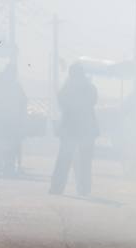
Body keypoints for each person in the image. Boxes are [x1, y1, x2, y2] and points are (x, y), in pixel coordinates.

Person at [50, 62, 98, 195]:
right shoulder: (89, 87)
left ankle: (57, 188)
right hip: (84, 129)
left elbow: (61, 102)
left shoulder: (69, 87)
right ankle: (84, 189)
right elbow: (93, 101)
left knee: (64, 159)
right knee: (84, 161)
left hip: (71, 128)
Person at [0, 63, 27, 176]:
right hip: (8, 119)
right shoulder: (14, 85)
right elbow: (23, 102)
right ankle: (8, 167)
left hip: (0, 118)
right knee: (9, 143)